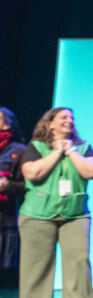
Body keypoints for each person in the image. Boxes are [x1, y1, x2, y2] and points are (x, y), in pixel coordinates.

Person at [17, 107, 93, 298]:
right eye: (63, 117)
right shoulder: (36, 147)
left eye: (72, 118)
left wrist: (70, 150)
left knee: (79, 266)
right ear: (50, 123)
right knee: (36, 270)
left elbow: (91, 171)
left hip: (75, 215)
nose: (69, 121)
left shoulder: (83, 147)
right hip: (38, 215)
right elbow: (32, 173)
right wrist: (56, 152)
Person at [0, 107, 26, 277]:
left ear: (7, 125)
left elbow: (28, 186)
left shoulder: (19, 150)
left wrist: (8, 185)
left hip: (5, 217)